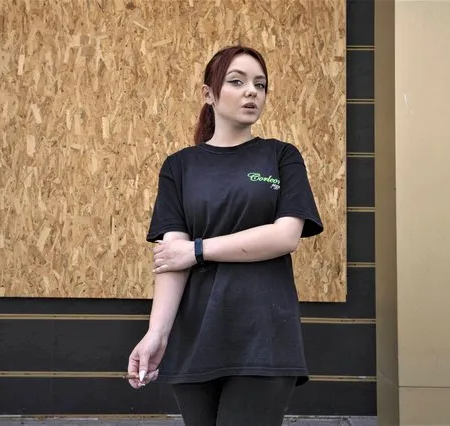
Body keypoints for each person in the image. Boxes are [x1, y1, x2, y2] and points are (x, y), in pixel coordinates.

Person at [127, 45, 324, 426]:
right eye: (237, 82)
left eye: (260, 85)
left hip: (263, 335)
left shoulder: (281, 157)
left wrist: (197, 251)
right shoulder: (180, 166)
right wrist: (156, 334)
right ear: (208, 94)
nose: (252, 91)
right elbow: (171, 256)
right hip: (196, 336)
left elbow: (285, 237)